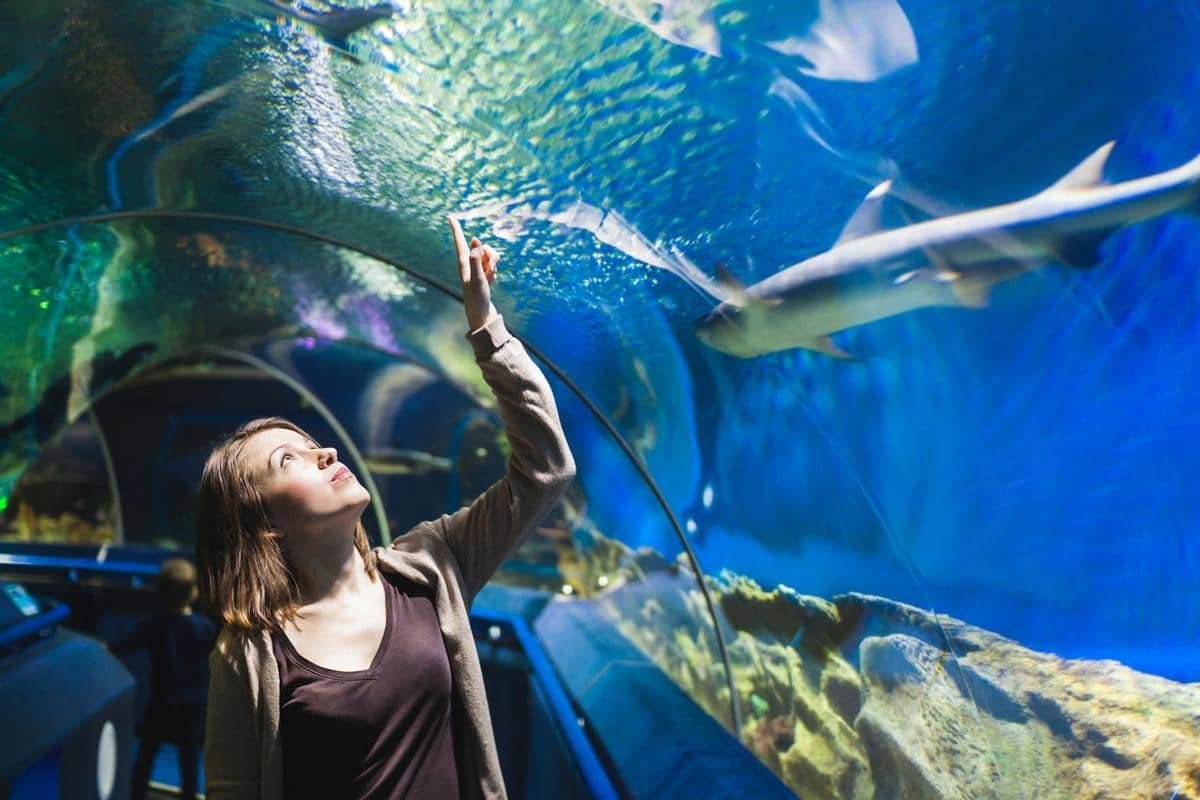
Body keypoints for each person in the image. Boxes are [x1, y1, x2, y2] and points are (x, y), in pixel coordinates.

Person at [197, 218, 576, 799]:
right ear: (265, 525)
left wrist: (487, 329)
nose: (324, 451)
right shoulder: (249, 653)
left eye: (311, 441)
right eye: (287, 461)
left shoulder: (431, 566)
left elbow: (547, 468)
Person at [112, 557, 218, 800]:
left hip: (161, 702)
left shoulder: (155, 626)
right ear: (193, 592)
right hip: (193, 707)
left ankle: (136, 794)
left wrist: (103, 646)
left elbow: (125, 646)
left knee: (147, 755)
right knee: (189, 760)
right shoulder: (206, 628)